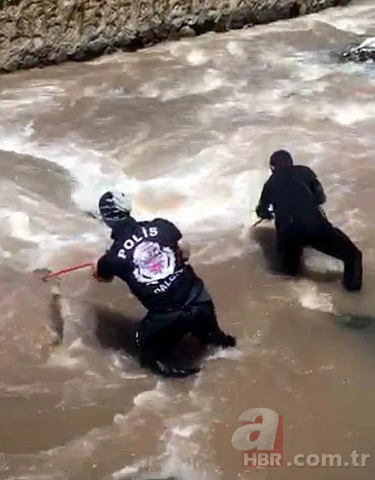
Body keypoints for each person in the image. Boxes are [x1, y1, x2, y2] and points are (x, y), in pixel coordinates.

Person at [93, 190, 236, 378]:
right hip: (200, 299)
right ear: (128, 209)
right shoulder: (162, 226)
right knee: (217, 341)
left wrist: (97, 263)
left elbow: (102, 277)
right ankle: (226, 347)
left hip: (169, 318)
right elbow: (185, 252)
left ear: (106, 218)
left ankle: (185, 378)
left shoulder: (111, 258)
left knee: (146, 354)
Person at [255, 150, 362, 292]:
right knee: (353, 256)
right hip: (314, 227)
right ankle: (353, 296)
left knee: (289, 274)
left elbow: (261, 211)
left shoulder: (269, 184)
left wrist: (270, 214)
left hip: (288, 234)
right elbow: (320, 197)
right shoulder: (305, 172)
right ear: (291, 163)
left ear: (272, 168)